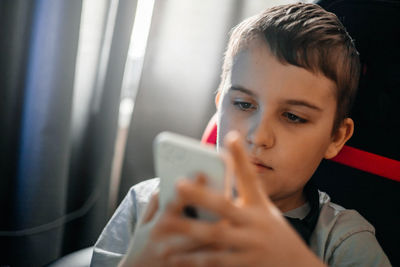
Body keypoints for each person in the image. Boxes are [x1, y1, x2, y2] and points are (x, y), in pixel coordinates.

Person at [91, 3, 391, 266]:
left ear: (336, 137)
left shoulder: (344, 241)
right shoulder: (147, 204)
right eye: (244, 104)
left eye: (293, 116)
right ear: (220, 106)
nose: (258, 136)